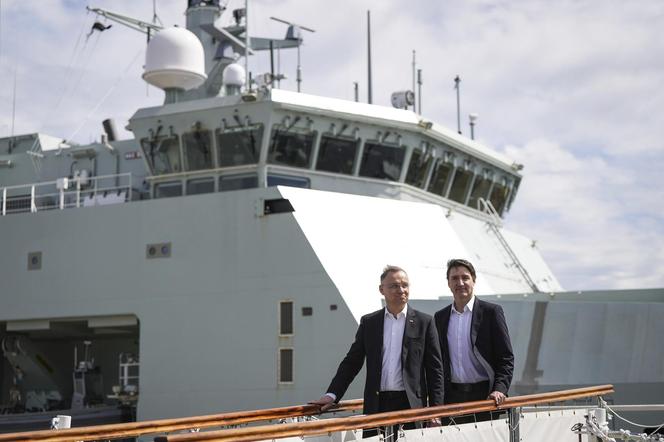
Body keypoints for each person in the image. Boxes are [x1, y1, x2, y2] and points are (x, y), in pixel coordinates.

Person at [310, 265, 444, 437]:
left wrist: (436, 411)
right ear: (382, 289)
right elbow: (352, 362)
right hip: (377, 404)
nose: (401, 290)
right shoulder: (370, 322)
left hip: (411, 404)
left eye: (405, 285)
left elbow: (435, 371)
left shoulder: (425, 322)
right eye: (394, 285)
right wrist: (332, 394)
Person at [434, 258, 514, 419]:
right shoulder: (440, 317)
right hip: (452, 399)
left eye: (465, 277)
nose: (460, 282)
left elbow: (506, 357)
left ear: (474, 280)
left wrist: (499, 389)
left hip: (485, 397)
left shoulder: (491, 312)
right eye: (454, 278)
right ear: (448, 283)